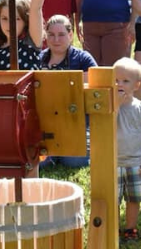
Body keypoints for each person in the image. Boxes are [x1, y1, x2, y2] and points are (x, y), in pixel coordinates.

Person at [37, 15, 97, 168]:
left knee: (75, 162)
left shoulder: (84, 59)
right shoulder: (39, 59)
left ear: (70, 35)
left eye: (61, 35)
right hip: (47, 123)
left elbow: (93, 91)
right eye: (51, 35)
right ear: (46, 36)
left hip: (76, 122)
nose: (56, 39)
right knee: (42, 164)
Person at [114, 57, 141, 242]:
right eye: (116, 80)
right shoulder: (108, 106)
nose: (119, 84)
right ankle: (112, 227)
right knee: (112, 199)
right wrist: (115, 105)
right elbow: (105, 128)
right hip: (112, 162)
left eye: (125, 81)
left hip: (135, 163)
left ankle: (130, 228)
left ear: (136, 85)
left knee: (133, 199)